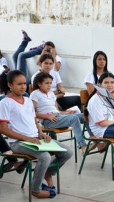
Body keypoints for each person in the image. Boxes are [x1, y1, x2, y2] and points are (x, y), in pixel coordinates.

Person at [0, 70, 73, 198]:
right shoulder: (5, 103)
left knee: (68, 152)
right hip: (18, 143)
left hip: (36, 139)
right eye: (19, 84)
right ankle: (35, 189)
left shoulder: (28, 100)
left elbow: (34, 120)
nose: (23, 86)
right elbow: (3, 129)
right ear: (10, 85)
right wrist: (26, 138)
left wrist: (42, 134)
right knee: (45, 157)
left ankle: (47, 172)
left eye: (24, 83)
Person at [30, 72, 91, 155]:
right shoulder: (35, 94)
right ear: (39, 84)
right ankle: (82, 145)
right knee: (74, 118)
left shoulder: (51, 94)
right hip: (48, 120)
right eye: (46, 83)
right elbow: (31, 113)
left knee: (85, 115)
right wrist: (47, 116)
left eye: (50, 83)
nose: (49, 85)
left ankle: (94, 139)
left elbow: (56, 110)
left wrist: (65, 112)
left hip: (58, 116)